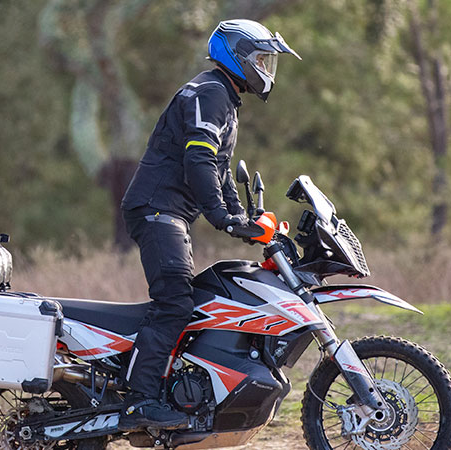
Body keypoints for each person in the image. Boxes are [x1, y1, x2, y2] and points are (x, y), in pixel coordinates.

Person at [118, 19, 301, 431]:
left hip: (168, 211)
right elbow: (198, 160)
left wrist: (243, 218)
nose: (266, 69)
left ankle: (171, 390)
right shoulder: (211, 93)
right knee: (175, 302)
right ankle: (140, 401)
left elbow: (217, 170)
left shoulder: (221, 96)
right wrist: (221, 217)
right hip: (157, 208)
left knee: (192, 301)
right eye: (261, 60)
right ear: (236, 56)